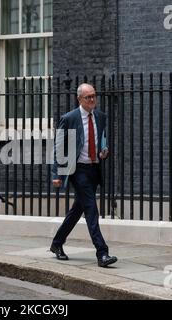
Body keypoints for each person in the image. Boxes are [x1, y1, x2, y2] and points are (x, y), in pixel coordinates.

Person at [51, 83, 117, 268]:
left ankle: (57, 243)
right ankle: (102, 253)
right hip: (77, 170)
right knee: (91, 210)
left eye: (94, 96)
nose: (92, 100)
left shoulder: (100, 116)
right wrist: (57, 173)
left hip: (94, 169)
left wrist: (104, 151)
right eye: (88, 97)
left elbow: (102, 140)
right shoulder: (70, 118)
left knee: (77, 210)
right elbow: (58, 147)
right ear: (79, 99)